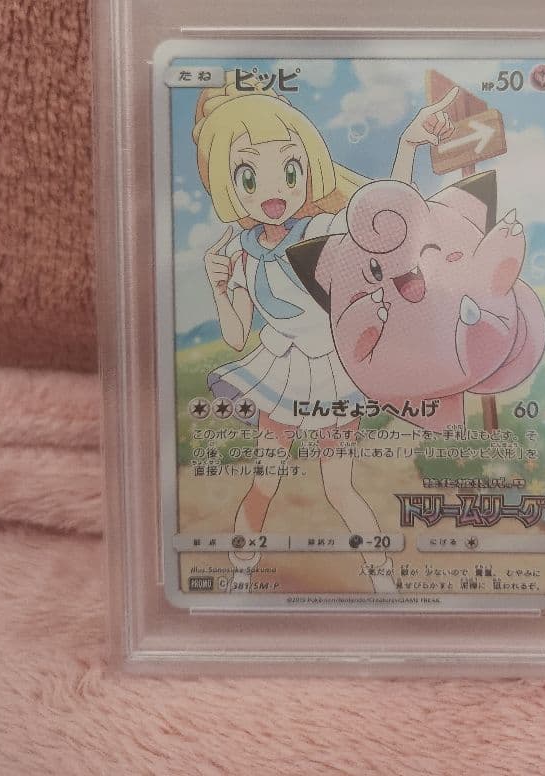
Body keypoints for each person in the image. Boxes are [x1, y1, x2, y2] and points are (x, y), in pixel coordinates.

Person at [193, 73, 455, 592]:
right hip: (281, 372)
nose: (274, 191)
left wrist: (408, 145)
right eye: (249, 176)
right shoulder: (242, 253)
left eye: (289, 170)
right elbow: (237, 335)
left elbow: (386, 223)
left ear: (308, 168)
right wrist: (219, 286)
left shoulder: (321, 231)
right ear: (227, 184)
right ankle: (240, 574)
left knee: (338, 486)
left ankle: (382, 579)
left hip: (331, 375)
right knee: (265, 480)